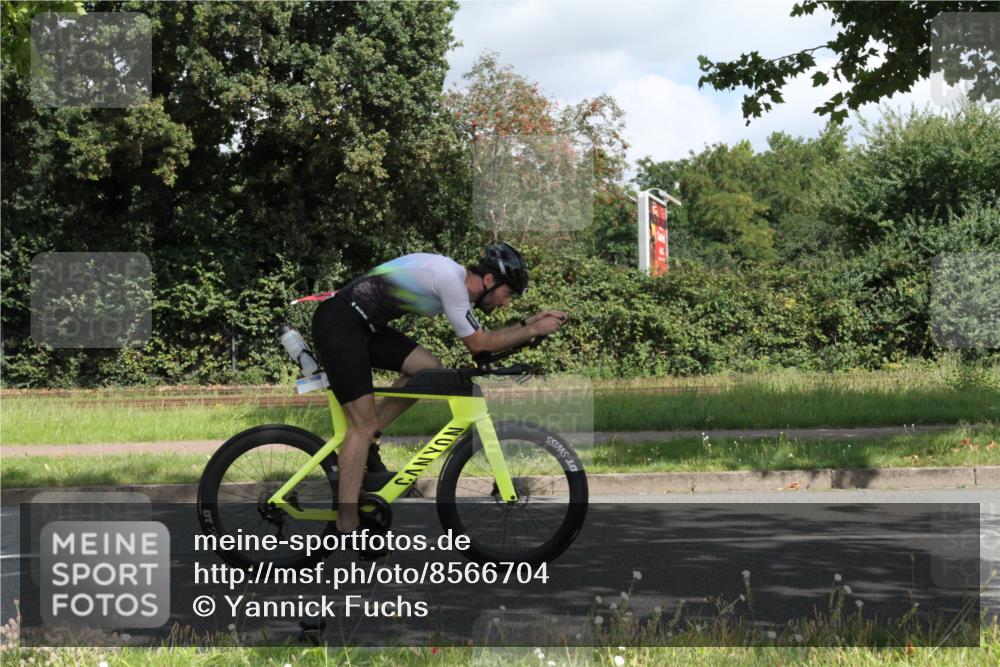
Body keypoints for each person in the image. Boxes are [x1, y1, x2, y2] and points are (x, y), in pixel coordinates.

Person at [310, 242, 567, 533]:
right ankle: (347, 525)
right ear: (489, 281)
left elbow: (483, 338)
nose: (506, 303)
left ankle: (369, 436)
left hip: (363, 326)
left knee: (428, 369)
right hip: (341, 323)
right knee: (360, 426)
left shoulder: (454, 284)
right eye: (507, 294)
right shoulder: (450, 280)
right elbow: (480, 345)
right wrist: (532, 330)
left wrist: (527, 323)